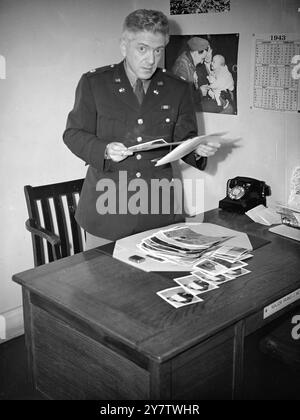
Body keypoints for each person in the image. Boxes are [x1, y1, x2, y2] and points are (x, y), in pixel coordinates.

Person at [63, 9, 220, 248]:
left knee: (158, 282)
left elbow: (183, 139)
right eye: (142, 49)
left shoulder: (177, 88)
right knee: (103, 284)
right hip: (106, 213)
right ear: (124, 45)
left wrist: (197, 149)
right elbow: (72, 134)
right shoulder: (95, 83)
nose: (151, 59)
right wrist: (104, 149)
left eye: (158, 50)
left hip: (159, 211)